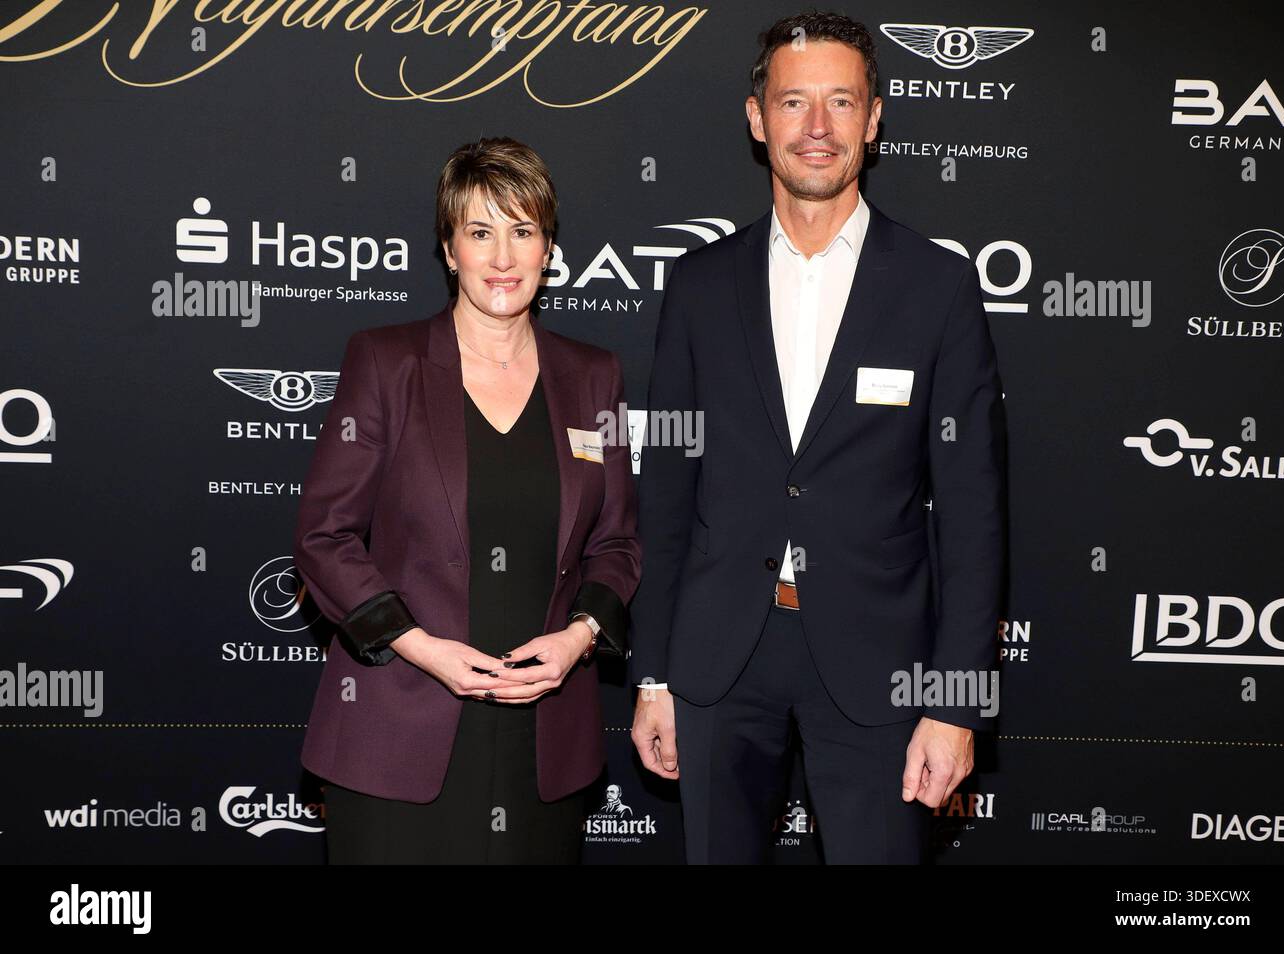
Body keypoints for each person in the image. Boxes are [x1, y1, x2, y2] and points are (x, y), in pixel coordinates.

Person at [630, 11, 1008, 864]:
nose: (817, 127)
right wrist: (652, 675)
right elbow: (665, 495)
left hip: (883, 669)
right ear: (757, 118)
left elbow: (976, 515)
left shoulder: (938, 287)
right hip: (721, 658)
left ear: (874, 121)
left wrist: (955, 704)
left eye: (841, 102)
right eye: (794, 102)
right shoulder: (698, 285)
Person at [294, 136, 640, 864]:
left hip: (541, 740)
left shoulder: (592, 376)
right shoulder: (388, 363)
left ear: (549, 248)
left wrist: (578, 639)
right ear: (449, 249)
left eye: (523, 231)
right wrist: (423, 650)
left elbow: (618, 543)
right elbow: (325, 537)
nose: (504, 257)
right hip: (399, 728)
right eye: (481, 233)